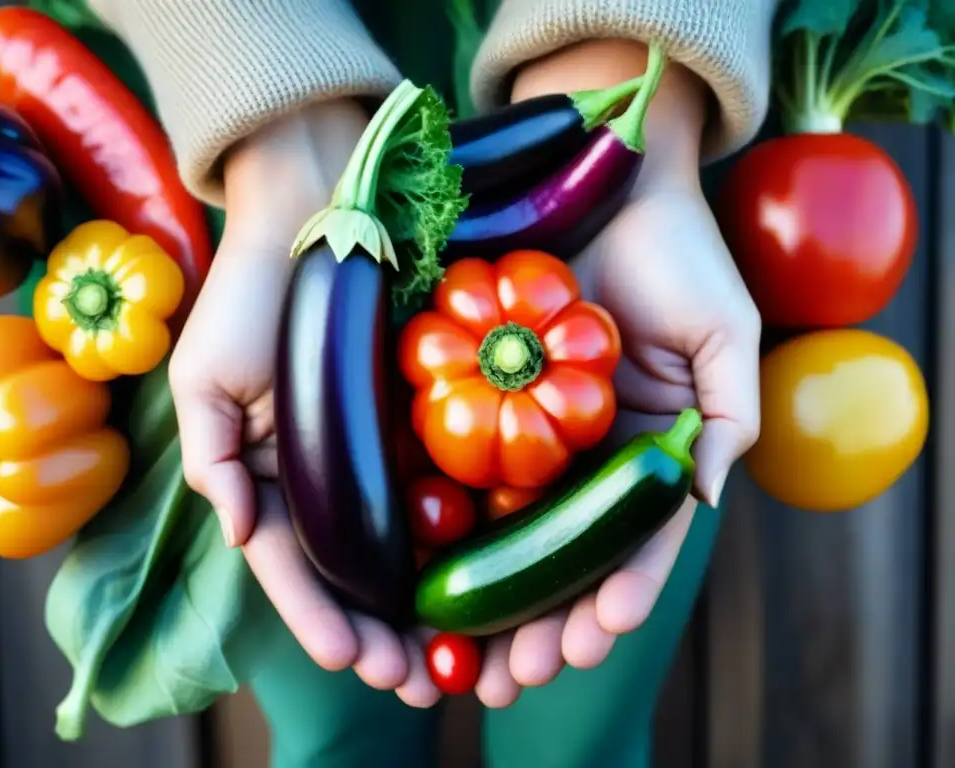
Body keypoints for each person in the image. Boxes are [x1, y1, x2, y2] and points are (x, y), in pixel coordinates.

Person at [87, 0, 775, 765]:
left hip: (673, 89)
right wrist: (273, 120)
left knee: (581, 739)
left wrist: (635, 47)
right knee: (332, 733)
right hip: (224, 116)